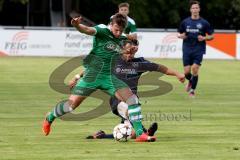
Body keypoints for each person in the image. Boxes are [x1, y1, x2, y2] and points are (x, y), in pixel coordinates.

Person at [42, 13, 156, 142]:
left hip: (109, 78)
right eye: (116, 29)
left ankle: (140, 134)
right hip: (92, 76)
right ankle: (50, 117)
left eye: (120, 31)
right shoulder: (102, 30)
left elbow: (127, 49)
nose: (118, 33)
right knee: (71, 106)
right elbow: (87, 30)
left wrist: (131, 50)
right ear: (111, 25)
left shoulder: (122, 38)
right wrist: (77, 25)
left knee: (132, 100)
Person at [70, 39, 185, 139]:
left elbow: (161, 68)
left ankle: (103, 135)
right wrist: (77, 77)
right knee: (129, 113)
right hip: (117, 99)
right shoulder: (113, 60)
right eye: (127, 52)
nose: (129, 55)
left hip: (133, 101)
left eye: (132, 52)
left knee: (131, 133)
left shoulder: (140, 63)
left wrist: (178, 74)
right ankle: (144, 132)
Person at [177, 0, 214, 97]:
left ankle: (192, 91)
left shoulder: (204, 23)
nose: (195, 10)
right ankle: (191, 81)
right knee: (186, 72)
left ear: (199, 9)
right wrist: (181, 36)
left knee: (195, 68)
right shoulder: (185, 22)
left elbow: (211, 36)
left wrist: (204, 38)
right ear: (190, 10)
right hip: (187, 48)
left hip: (199, 49)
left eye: (196, 8)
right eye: (193, 8)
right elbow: (179, 33)